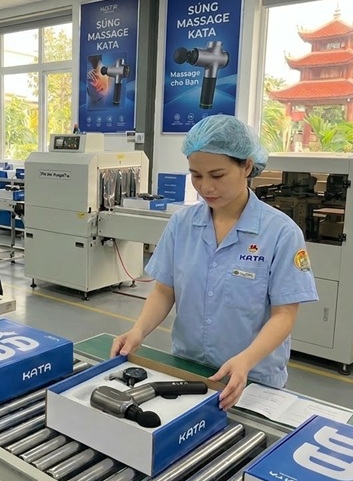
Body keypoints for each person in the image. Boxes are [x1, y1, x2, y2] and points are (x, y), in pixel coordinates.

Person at [111, 116, 318, 410]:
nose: (205, 187)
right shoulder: (182, 224)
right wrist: (138, 331)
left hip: (252, 378)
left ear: (247, 166)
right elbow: (165, 291)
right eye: (196, 175)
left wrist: (246, 360)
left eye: (217, 175)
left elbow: (284, 315)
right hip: (188, 369)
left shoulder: (281, 233)